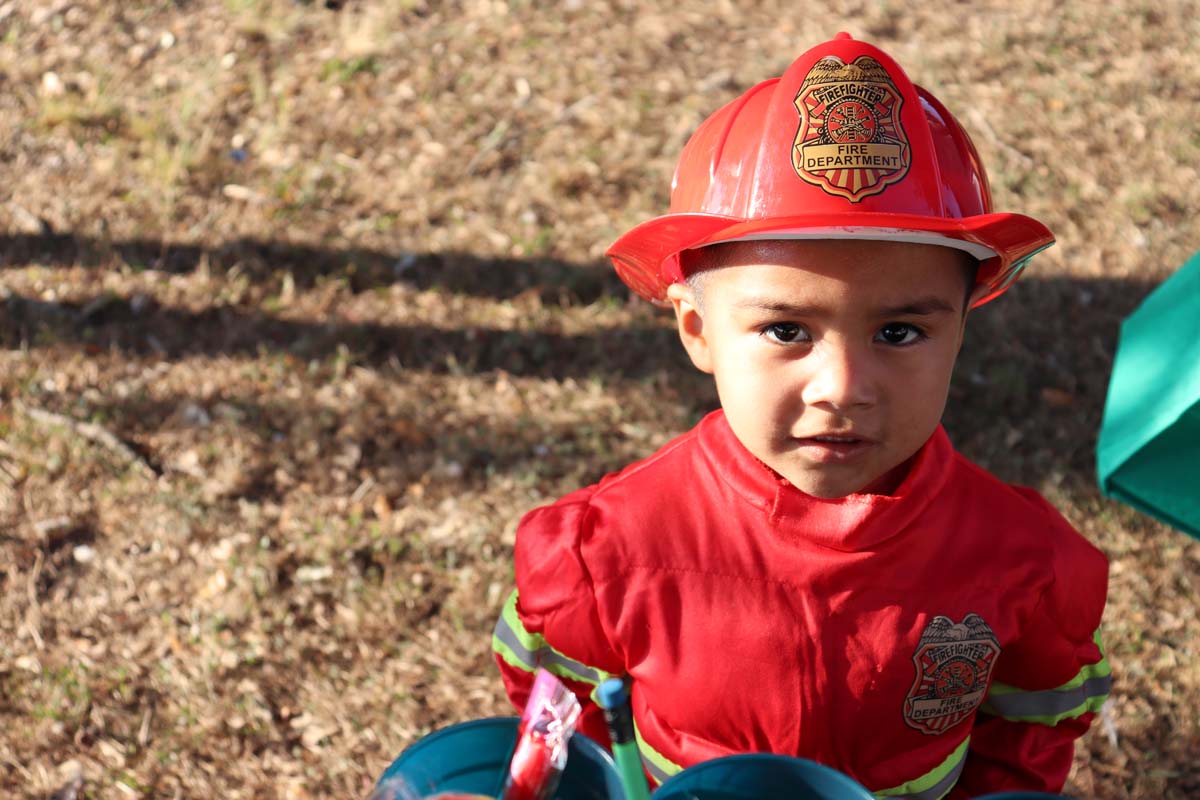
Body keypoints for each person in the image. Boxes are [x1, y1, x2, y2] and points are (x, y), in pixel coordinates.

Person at [491, 33, 1110, 799]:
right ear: (696, 331)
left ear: (960, 326)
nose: (842, 387)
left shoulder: (1026, 563)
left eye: (900, 333)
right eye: (787, 331)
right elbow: (558, 715)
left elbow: (1041, 713)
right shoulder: (605, 556)